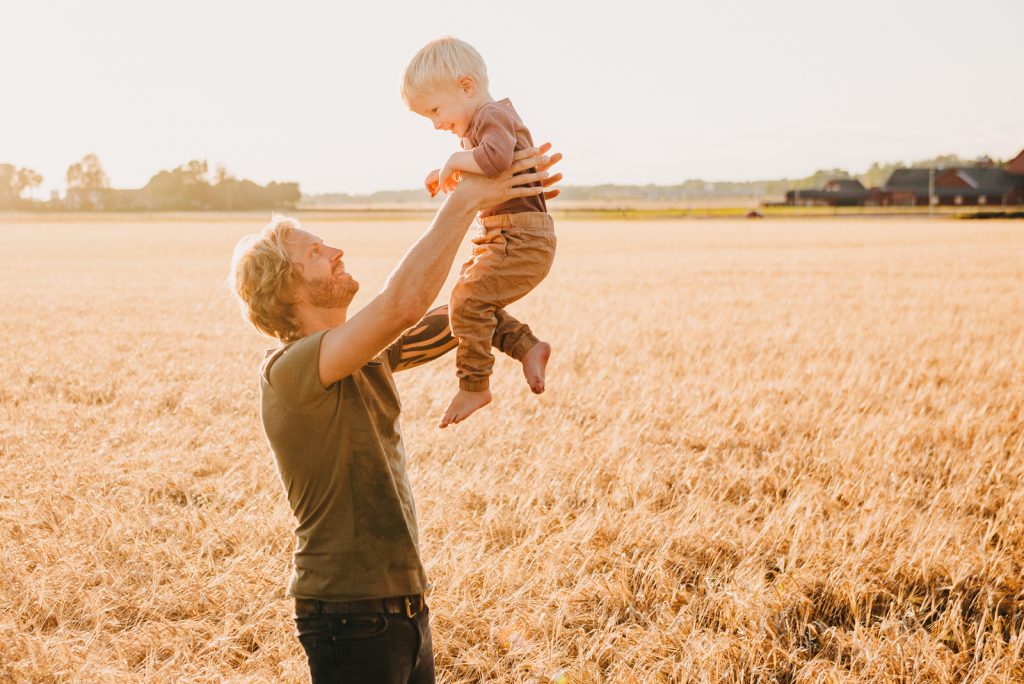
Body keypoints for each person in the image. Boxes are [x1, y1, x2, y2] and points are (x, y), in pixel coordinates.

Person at [228, 147, 560, 683]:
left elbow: (454, 315)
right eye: (314, 252)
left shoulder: (363, 353)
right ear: (284, 289)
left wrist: (515, 212)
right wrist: (466, 198)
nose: (335, 250)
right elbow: (402, 304)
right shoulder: (291, 368)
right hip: (346, 614)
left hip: (402, 605)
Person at [403, 36, 557, 428]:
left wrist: (455, 160)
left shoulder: (491, 116)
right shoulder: (481, 124)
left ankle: (475, 385)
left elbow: (496, 160)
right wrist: (445, 173)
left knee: (468, 301)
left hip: (520, 238)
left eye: (436, 110)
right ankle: (527, 347)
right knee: (467, 304)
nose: (437, 124)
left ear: (466, 86)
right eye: (429, 118)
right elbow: (486, 166)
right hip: (505, 235)